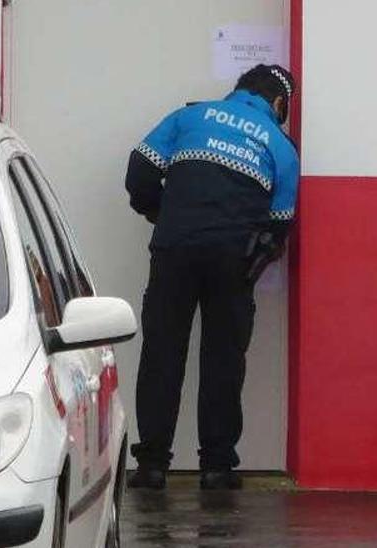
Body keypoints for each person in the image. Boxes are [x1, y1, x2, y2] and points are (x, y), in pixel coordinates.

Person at [124, 64, 298, 490]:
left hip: (175, 249)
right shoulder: (280, 145)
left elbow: (140, 170)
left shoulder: (189, 117)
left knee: (162, 353)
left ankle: (151, 466)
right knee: (224, 360)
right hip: (232, 261)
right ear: (278, 103)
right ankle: (217, 467)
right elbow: (280, 220)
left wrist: (164, 214)